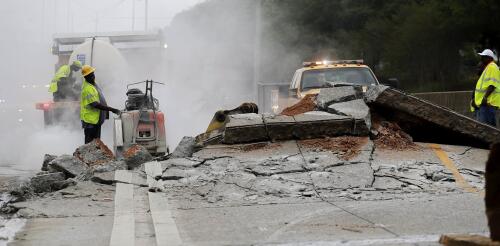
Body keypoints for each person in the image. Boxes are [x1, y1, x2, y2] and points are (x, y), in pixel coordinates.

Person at [80, 65, 121, 144]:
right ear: (86, 77)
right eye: (90, 75)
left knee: (96, 143)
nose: (92, 77)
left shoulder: (93, 84)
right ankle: (87, 156)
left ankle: (95, 156)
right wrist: (112, 109)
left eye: (93, 74)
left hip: (95, 120)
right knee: (89, 144)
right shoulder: (87, 89)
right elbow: (95, 105)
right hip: (90, 121)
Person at [471, 49, 500, 127]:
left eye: (483, 57)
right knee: (488, 129)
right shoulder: (488, 67)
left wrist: (485, 97)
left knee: (485, 130)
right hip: (485, 104)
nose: (481, 58)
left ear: (489, 58)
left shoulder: (492, 67)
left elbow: (493, 84)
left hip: (487, 103)